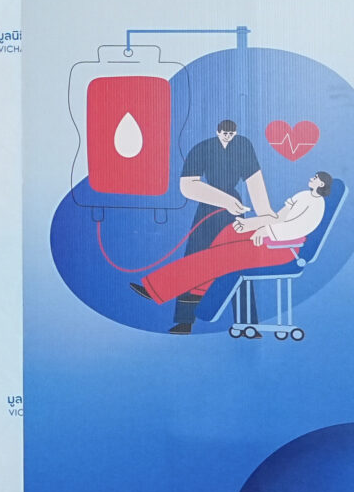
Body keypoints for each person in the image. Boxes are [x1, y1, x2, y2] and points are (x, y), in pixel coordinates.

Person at [133, 171, 332, 312]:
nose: (312, 178)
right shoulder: (302, 195)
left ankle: (157, 288)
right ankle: (199, 289)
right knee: (229, 232)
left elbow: (300, 228)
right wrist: (250, 225)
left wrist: (266, 231)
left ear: (321, 184)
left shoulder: (317, 205)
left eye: (316, 178)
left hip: (284, 248)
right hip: (271, 236)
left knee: (221, 257)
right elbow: (278, 217)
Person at [165, 120, 278, 334]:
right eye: (225, 133)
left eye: (231, 133)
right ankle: (185, 320)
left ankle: (247, 322)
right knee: (195, 261)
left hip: (235, 212)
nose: (228, 136)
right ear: (218, 132)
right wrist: (224, 200)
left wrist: (266, 214)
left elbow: (255, 182)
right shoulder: (202, 148)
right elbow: (188, 186)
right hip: (208, 207)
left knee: (239, 263)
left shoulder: (243, 145)